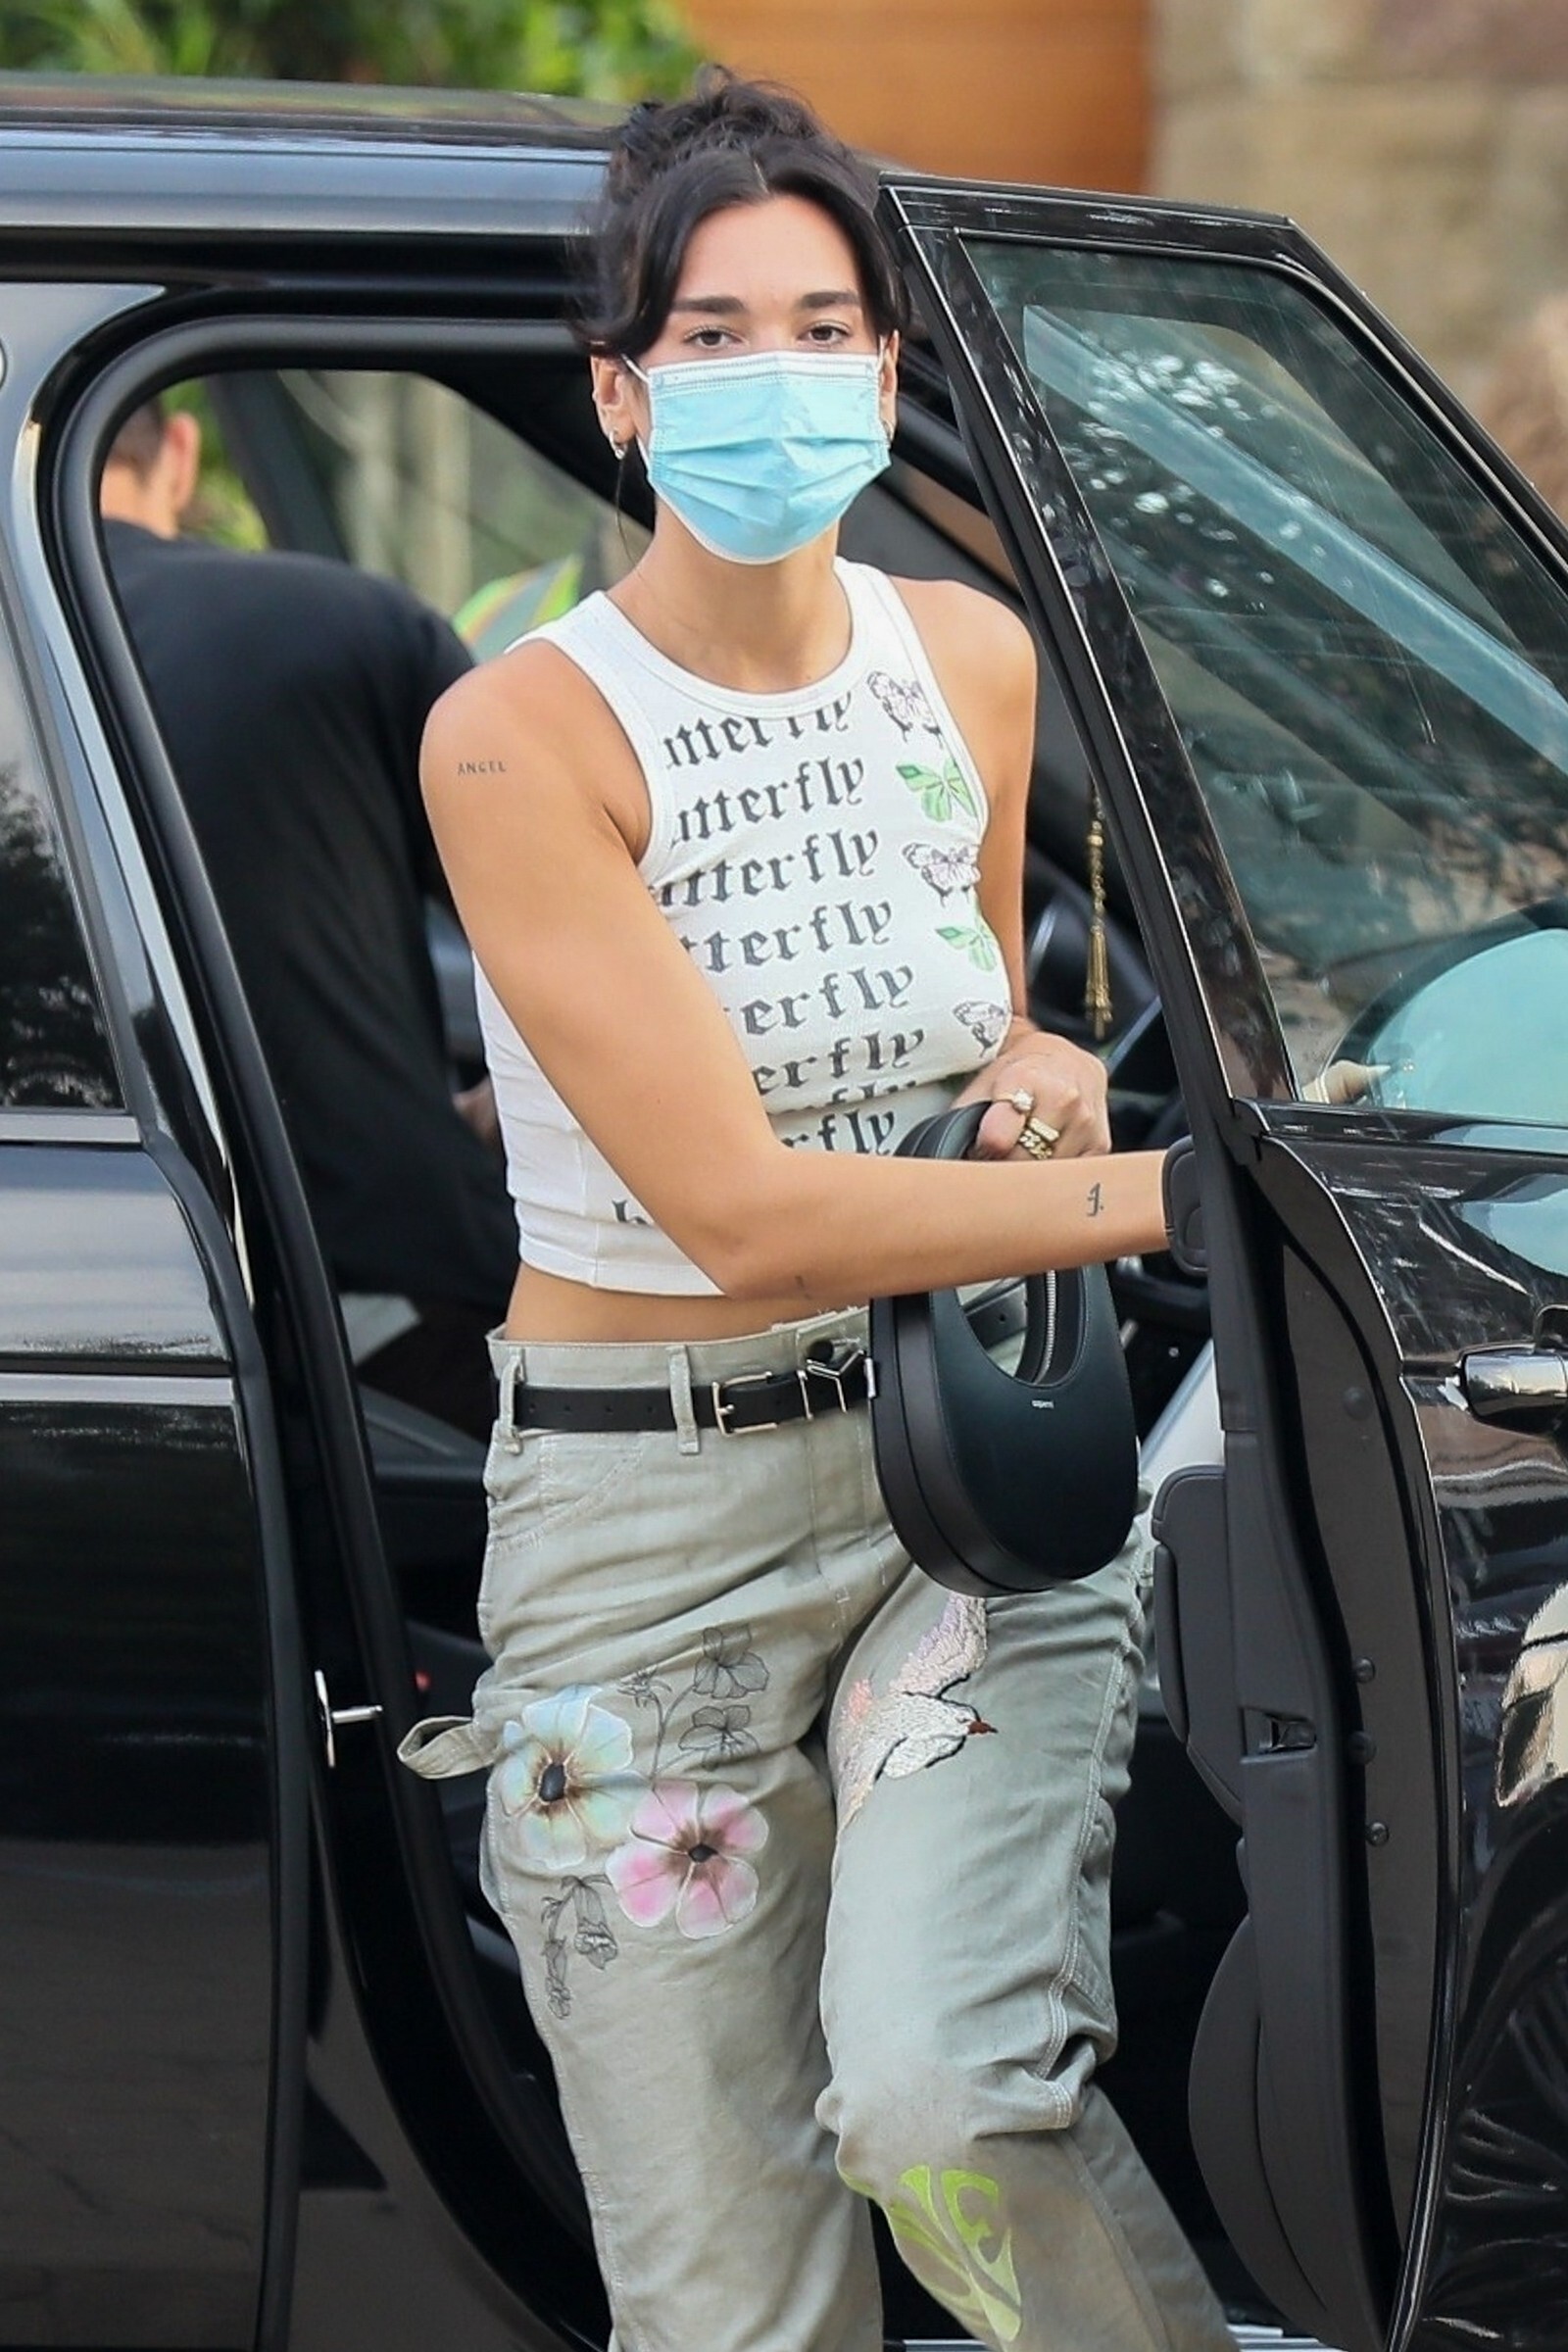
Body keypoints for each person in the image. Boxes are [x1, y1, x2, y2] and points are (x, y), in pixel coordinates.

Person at [399, 72, 1233, 2352]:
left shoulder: (962, 661)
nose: (776, 375)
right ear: (619, 389)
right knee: (725, 2291)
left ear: (882, 368)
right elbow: (742, 1212)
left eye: (823, 326)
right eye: (713, 333)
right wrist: (1171, 1188)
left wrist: (1039, 1081)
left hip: (953, 1482)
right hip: (638, 1538)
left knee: (947, 2104)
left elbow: (969, 1036)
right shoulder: (522, 734)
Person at [101, 399, 517, 1441]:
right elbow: (590, 954)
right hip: (401, 1301)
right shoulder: (350, 624)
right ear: (181, 453)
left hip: (99, 1298)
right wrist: (494, 1104)